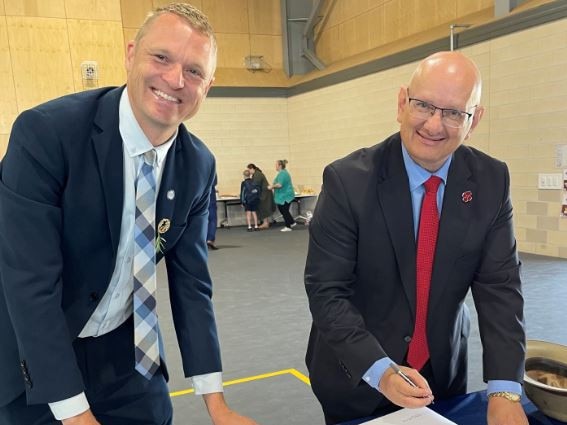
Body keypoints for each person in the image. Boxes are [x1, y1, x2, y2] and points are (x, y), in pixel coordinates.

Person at [0, 3, 257, 425]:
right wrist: (76, 415)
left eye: (194, 71)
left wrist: (217, 404)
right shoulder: (46, 135)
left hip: (126, 356)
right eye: (162, 58)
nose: (175, 80)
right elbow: (30, 285)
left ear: (207, 86)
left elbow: (192, 286)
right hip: (37, 352)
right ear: (131, 53)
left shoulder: (197, 165)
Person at [304, 51, 527, 425]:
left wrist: (504, 389)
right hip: (357, 374)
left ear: (474, 121)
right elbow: (327, 291)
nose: (434, 125)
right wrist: (380, 371)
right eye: (424, 105)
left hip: (442, 375)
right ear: (401, 103)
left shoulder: (491, 181)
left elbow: (500, 289)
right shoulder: (347, 181)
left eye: (454, 112)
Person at [268, 159, 296, 232]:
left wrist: (272, 187)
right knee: (284, 210)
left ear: (280, 166)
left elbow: (280, 185)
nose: (275, 166)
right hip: (283, 196)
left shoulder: (282, 174)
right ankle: (292, 222)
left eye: (276, 165)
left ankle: (288, 226)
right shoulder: (282, 173)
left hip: (285, 196)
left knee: (284, 211)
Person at [247, 163, 275, 229]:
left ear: (252, 169)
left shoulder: (257, 175)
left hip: (264, 194)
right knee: (263, 208)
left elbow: (255, 185)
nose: (249, 171)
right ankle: (265, 222)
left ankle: (265, 223)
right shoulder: (256, 174)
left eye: (249, 170)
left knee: (263, 208)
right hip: (263, 193)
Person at [207, 174, 219, 250]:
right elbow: (215, 182)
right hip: (211, 198)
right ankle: (210, 239)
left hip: (199, 200)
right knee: (212, 219)